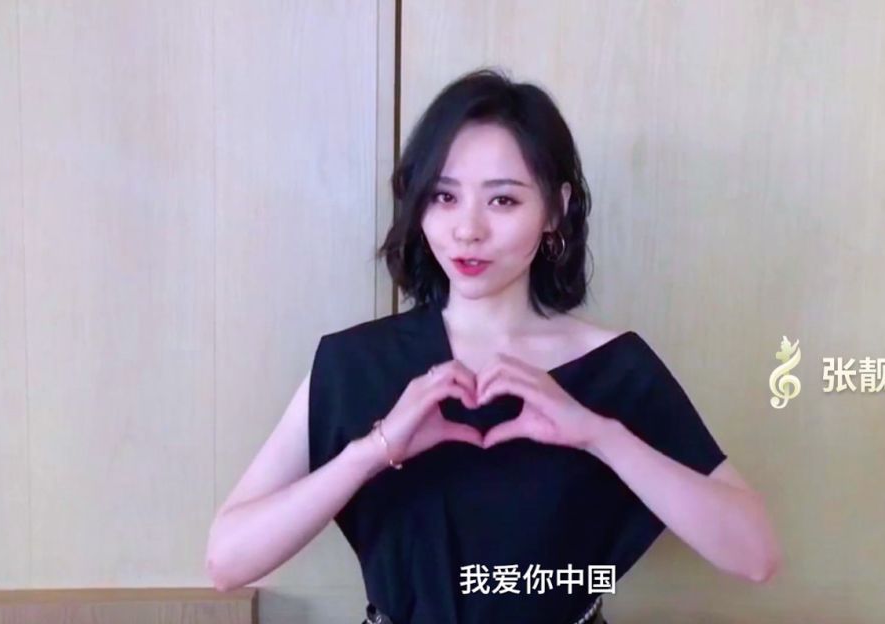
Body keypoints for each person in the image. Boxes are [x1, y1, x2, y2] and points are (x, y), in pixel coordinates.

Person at [206, 68, 780, 624]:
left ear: (555, 209)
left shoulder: (615, 368)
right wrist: (374, 451)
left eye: (503, 201)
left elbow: (756, 555)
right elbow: (227, 561)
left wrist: (599, 435)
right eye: (444, 196)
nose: (468, 230)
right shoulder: (355, 364)